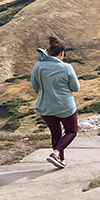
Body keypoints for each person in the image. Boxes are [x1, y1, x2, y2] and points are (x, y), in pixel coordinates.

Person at [31, 36, 80, 169]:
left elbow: (35, 87)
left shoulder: (38, 66)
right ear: (62, 53)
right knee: (71, 131)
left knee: (56, 133)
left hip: (45, 106)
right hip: (65, 106)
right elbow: (76, 88)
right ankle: (56, 153)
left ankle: (60, 160)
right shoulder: (66, 67)